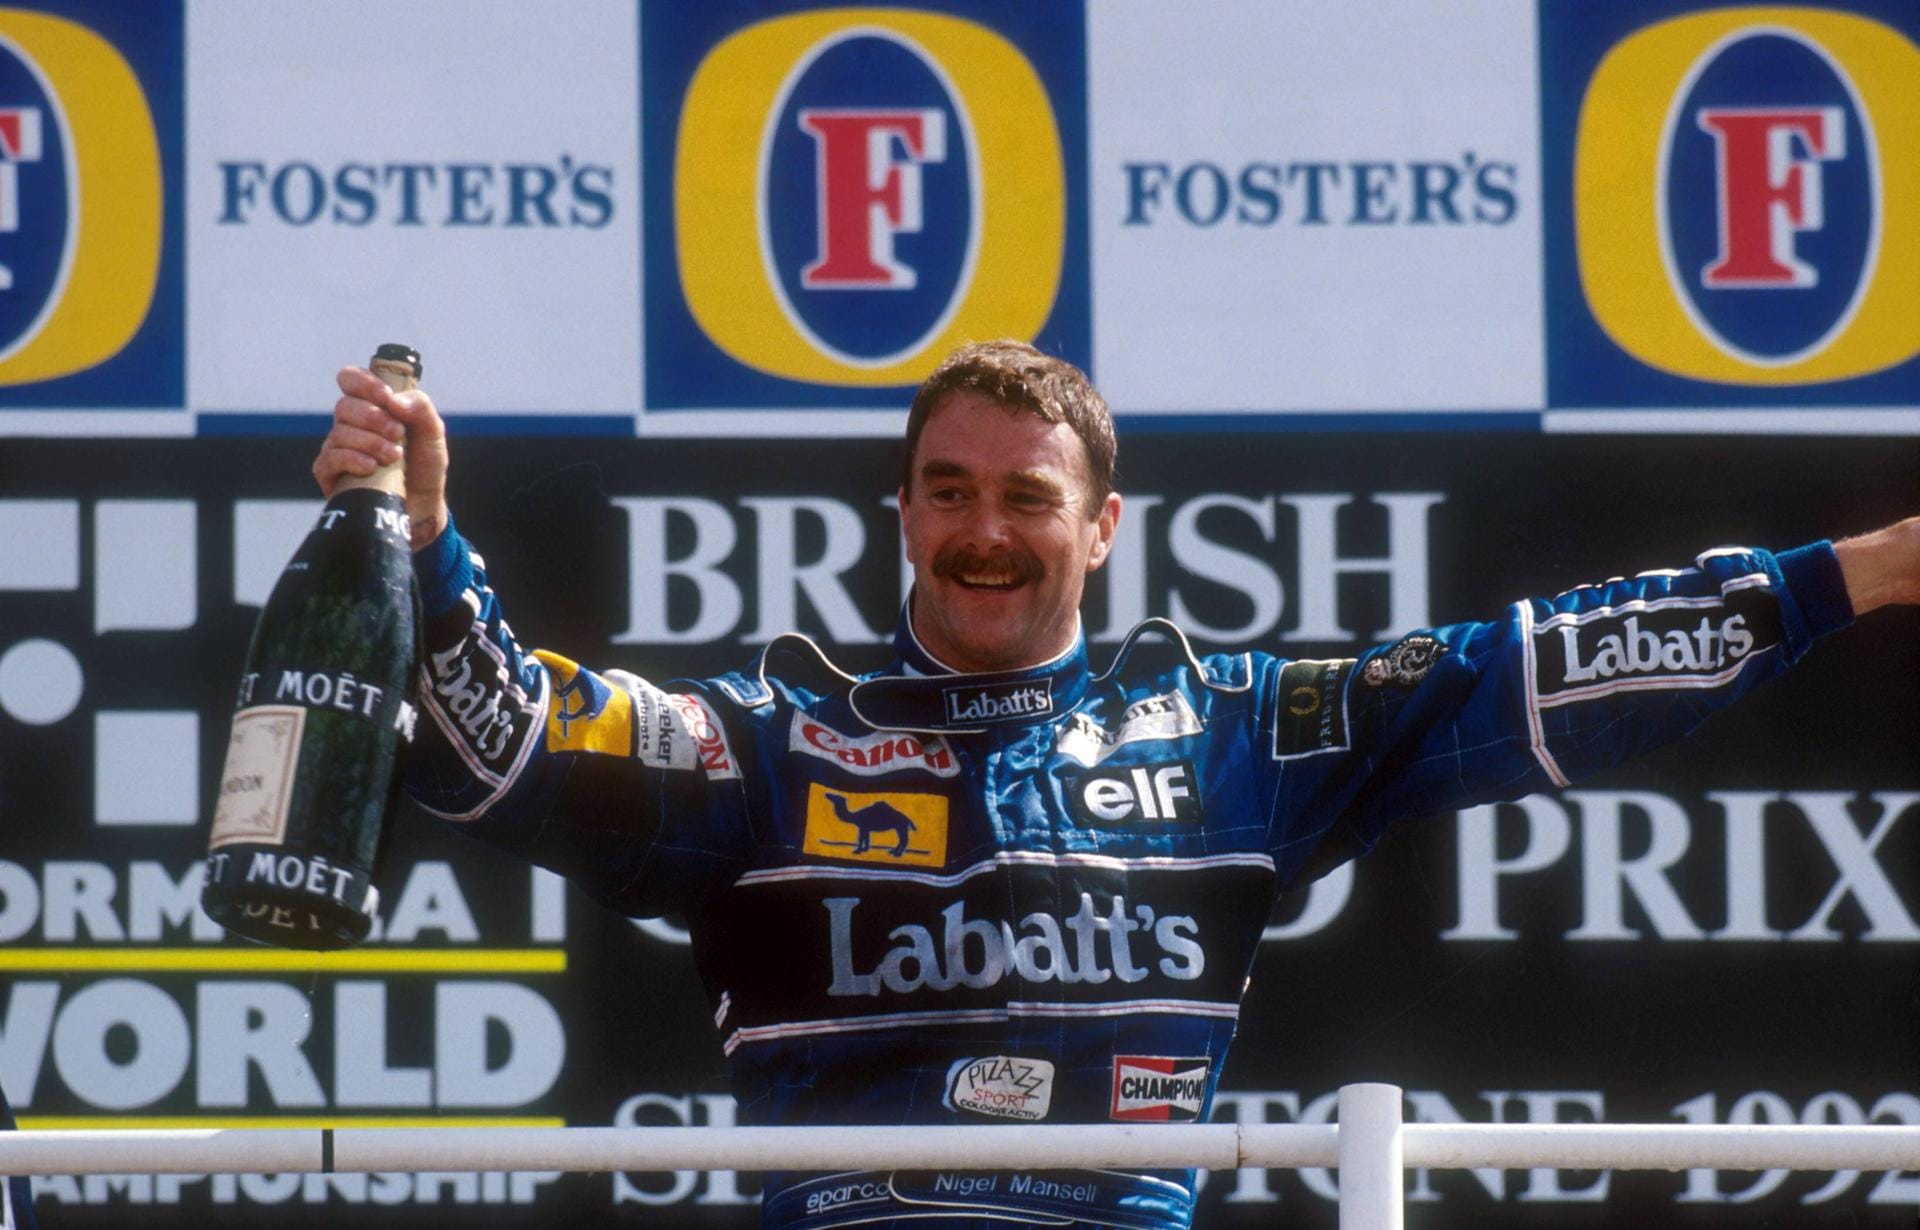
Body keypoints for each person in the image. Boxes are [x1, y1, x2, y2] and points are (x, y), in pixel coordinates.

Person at [316, 340, 1916, 1229]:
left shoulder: (1232, 730)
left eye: (1027, 496)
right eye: (947, 492)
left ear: (1102, 530)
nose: (985, 529)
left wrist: (1871, 567)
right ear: (902, 517)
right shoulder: (768, 738)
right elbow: (505, 743)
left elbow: (1540, 663)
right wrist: (424, 545)